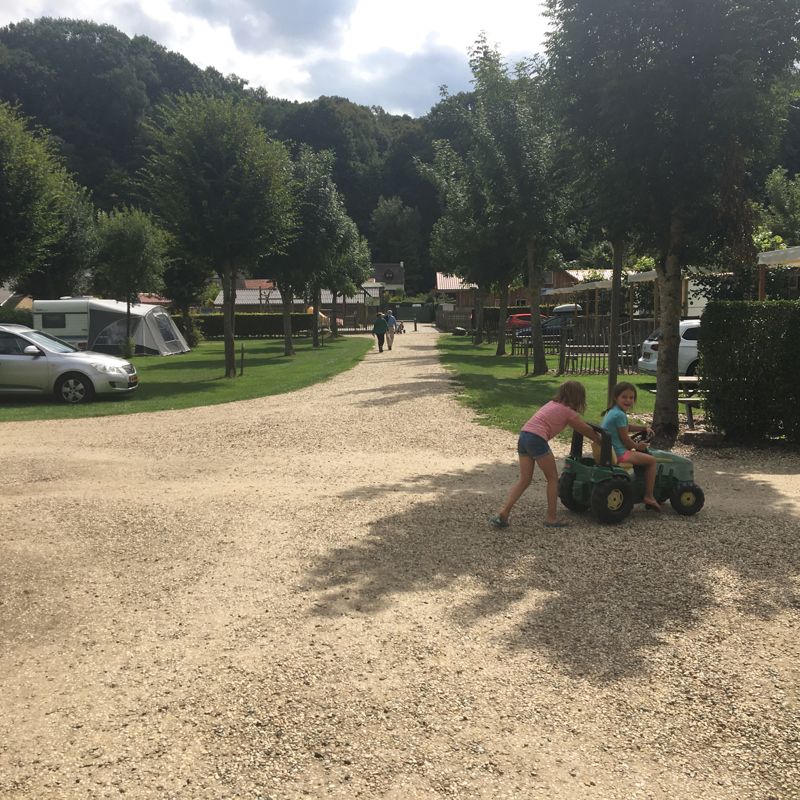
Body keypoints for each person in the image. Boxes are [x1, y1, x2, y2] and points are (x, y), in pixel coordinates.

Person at [492, 380, 601, 529]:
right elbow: (585, 429)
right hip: (536, 439)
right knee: (552, 478)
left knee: (525, 479)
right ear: (578, 397)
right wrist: (599, 439)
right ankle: (551, 517)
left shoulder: (552, 404)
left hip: (524, 436)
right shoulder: (568, 412)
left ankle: (505, 511)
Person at [601, 381, 660, 511]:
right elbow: (625, 439)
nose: (628, 400)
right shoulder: (620, 414)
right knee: (652, 461)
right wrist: (638, 447)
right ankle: (649, 496)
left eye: (631, 397)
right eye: (624, 397)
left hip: (611, 451)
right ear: (615, 398)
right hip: (619, 454)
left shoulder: (614, 411)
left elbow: (626, 427)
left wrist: (644, 428)